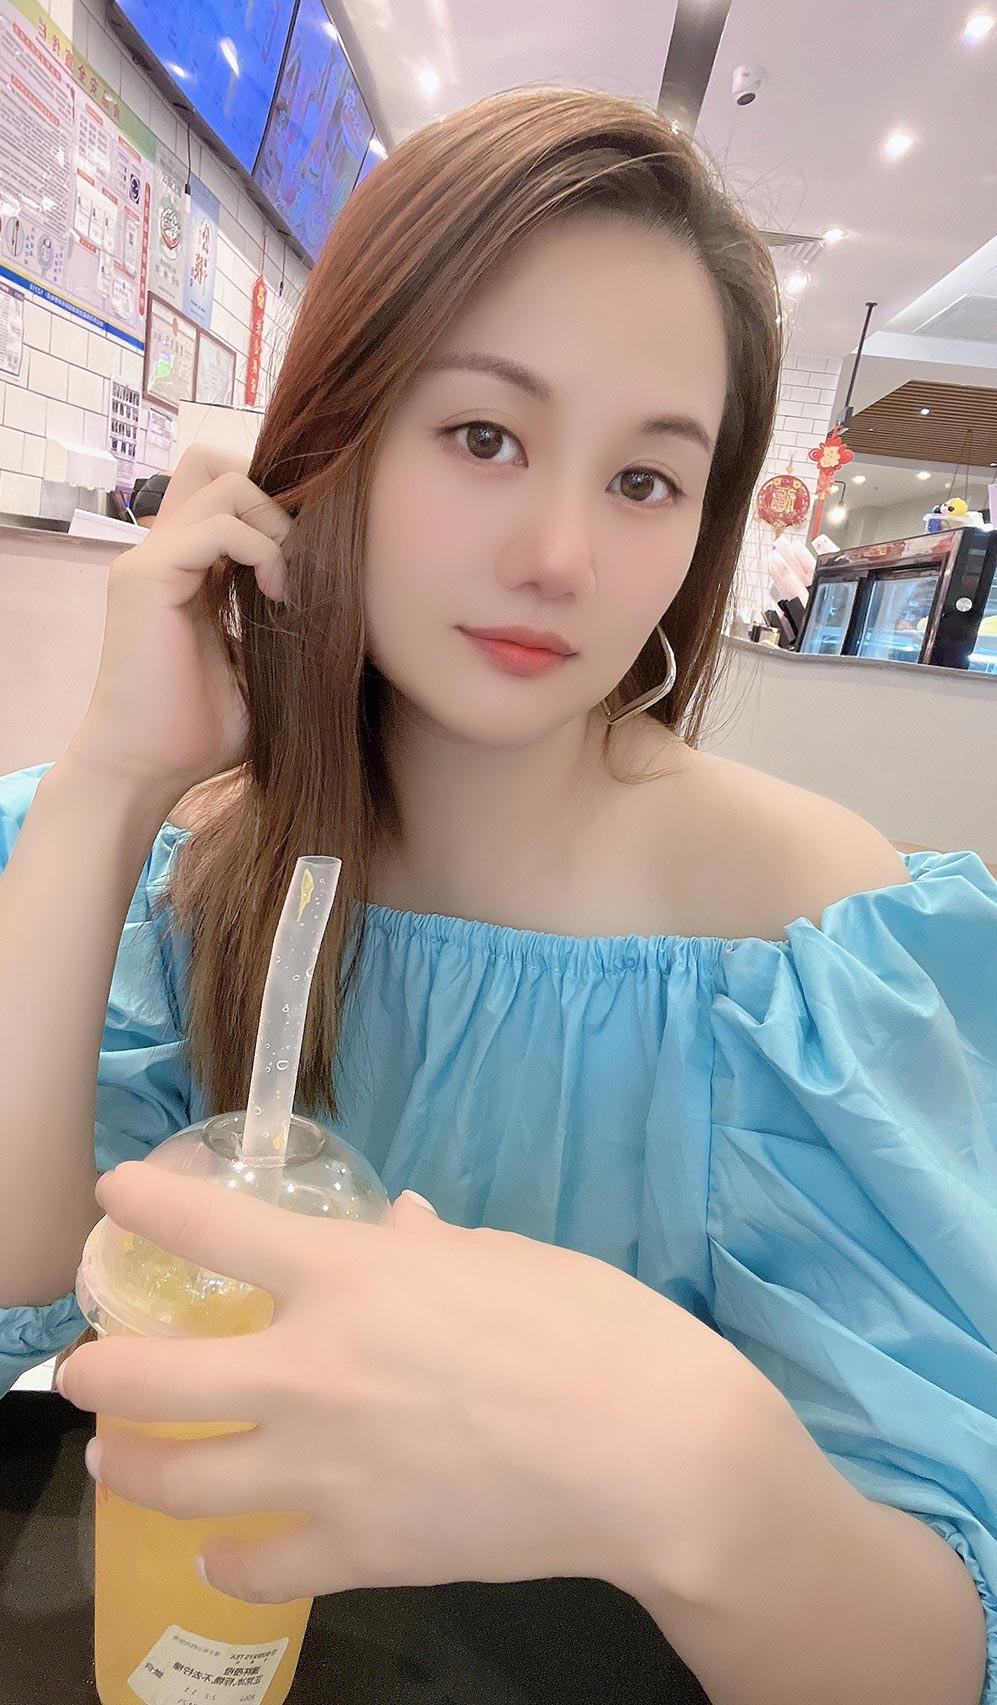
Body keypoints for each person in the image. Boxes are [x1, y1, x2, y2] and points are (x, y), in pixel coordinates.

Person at [0, 87, 994, 1704]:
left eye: (645, 480)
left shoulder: (816, 942)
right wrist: (117, 776)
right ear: (328, 438)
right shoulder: (180, 854)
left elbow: (924, 1654)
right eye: (483, 436)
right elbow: (24, 1262)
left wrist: (688, 1460)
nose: (558, 556)